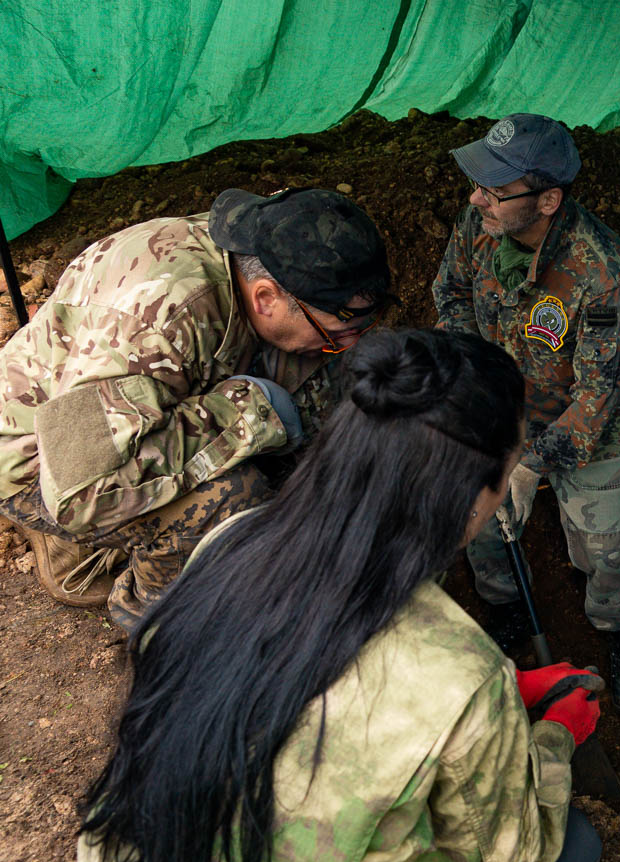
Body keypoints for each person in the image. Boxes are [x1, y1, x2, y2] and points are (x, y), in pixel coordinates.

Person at [71, 328, 604, 862]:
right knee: (571, 852)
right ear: (476, 493)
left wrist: (493, 706)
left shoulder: (233, 541)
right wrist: (550, 741)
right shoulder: (458, 676)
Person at [0, 187, 391, 628]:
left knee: (313, 367)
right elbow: (80, 491)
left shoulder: (272, 243)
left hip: (132, 404)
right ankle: (159, 620)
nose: (350, 341)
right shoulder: (158, 323)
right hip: (46, 460)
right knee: (228, 500)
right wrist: (248, 411)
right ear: (265, 298)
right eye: (338, 329)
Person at [433, 113, 620, 711]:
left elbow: (598, 398)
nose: (478, 198)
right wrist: (473, 374)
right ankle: (504, 606)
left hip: (588, 431)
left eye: (496, 191)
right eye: (479, 184)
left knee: (602, 548)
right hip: (502, 412)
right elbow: (450, 293)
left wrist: (528, 468)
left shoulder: (602, 274)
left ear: (548, 199)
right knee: (485, 526)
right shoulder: (478, 225)